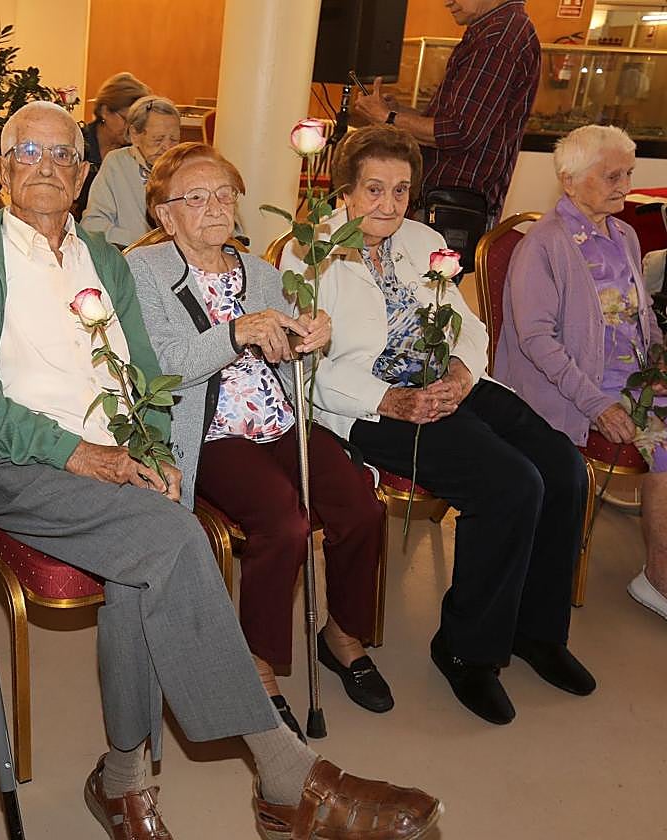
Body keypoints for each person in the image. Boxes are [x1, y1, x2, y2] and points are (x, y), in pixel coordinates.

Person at [0, 101, 440, 840]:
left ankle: (124, 782)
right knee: (177, 541)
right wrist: (82, 453)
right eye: (28, 154)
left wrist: (157, 451)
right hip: (22, 464)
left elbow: (148, 377)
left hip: (116, 454)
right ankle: (286, 775)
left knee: (148, 562)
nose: (46, 168)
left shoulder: (102, 260)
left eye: (62, 156)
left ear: (83, 174)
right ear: (3, 170)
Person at [282, 124, 595, 726]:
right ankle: (466, 652)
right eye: (373, 189)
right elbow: (309, 372)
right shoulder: (312, 255)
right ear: (342, 190)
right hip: (370, 406)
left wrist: (460, 368)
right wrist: (391, 399)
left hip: (445, 383)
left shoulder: (421, 239)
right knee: (509, 484)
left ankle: (536, 631)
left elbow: (467, 322)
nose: (388, 204)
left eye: (400, 191)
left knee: (562, 468)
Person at [125, 142, 393, 730]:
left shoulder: (263, 273)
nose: (216, 206)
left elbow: (283, 357)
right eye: (195, 197)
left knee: (362, 510)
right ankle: (258, 661)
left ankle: (342, 635)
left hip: (279, 421)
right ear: (165, 216)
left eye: (225, 194)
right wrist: (234, 332)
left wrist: (307, 340)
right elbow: (158, 364)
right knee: (285, 523)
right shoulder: (141, 272)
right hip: (211, 430)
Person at [495, 124, 667, 623]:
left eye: (628, 173)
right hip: (572, 390)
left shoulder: (627, 234)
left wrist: (656, 362)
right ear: (570, 181)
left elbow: (645, 316)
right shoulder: (545, 245)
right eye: (611, 174)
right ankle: (657, 579)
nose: (623, 184)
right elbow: (536, 341)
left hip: (631, 381)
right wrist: (598, 403)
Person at [353, 0, 540, 249]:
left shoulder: (499, 38)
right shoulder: (495, 29)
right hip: (444, 201)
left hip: (450, 204)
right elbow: (456, 119)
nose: (447, 2)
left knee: (422, 285)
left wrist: (387, 118)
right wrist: (398, 112)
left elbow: (457, 131)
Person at [82, 96, 182, 249]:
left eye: (174, 139)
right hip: (131, 257)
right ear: (135, 134)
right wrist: (147, 242)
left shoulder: (186, 167)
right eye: (158, 139)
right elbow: (93, 224)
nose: (167, 147)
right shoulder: (117, 163)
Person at [75, 72, 152, 218]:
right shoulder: (80, 143)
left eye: (136, 123)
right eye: (126, 119)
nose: (131, 129)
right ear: (105, 111)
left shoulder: (136, 153)